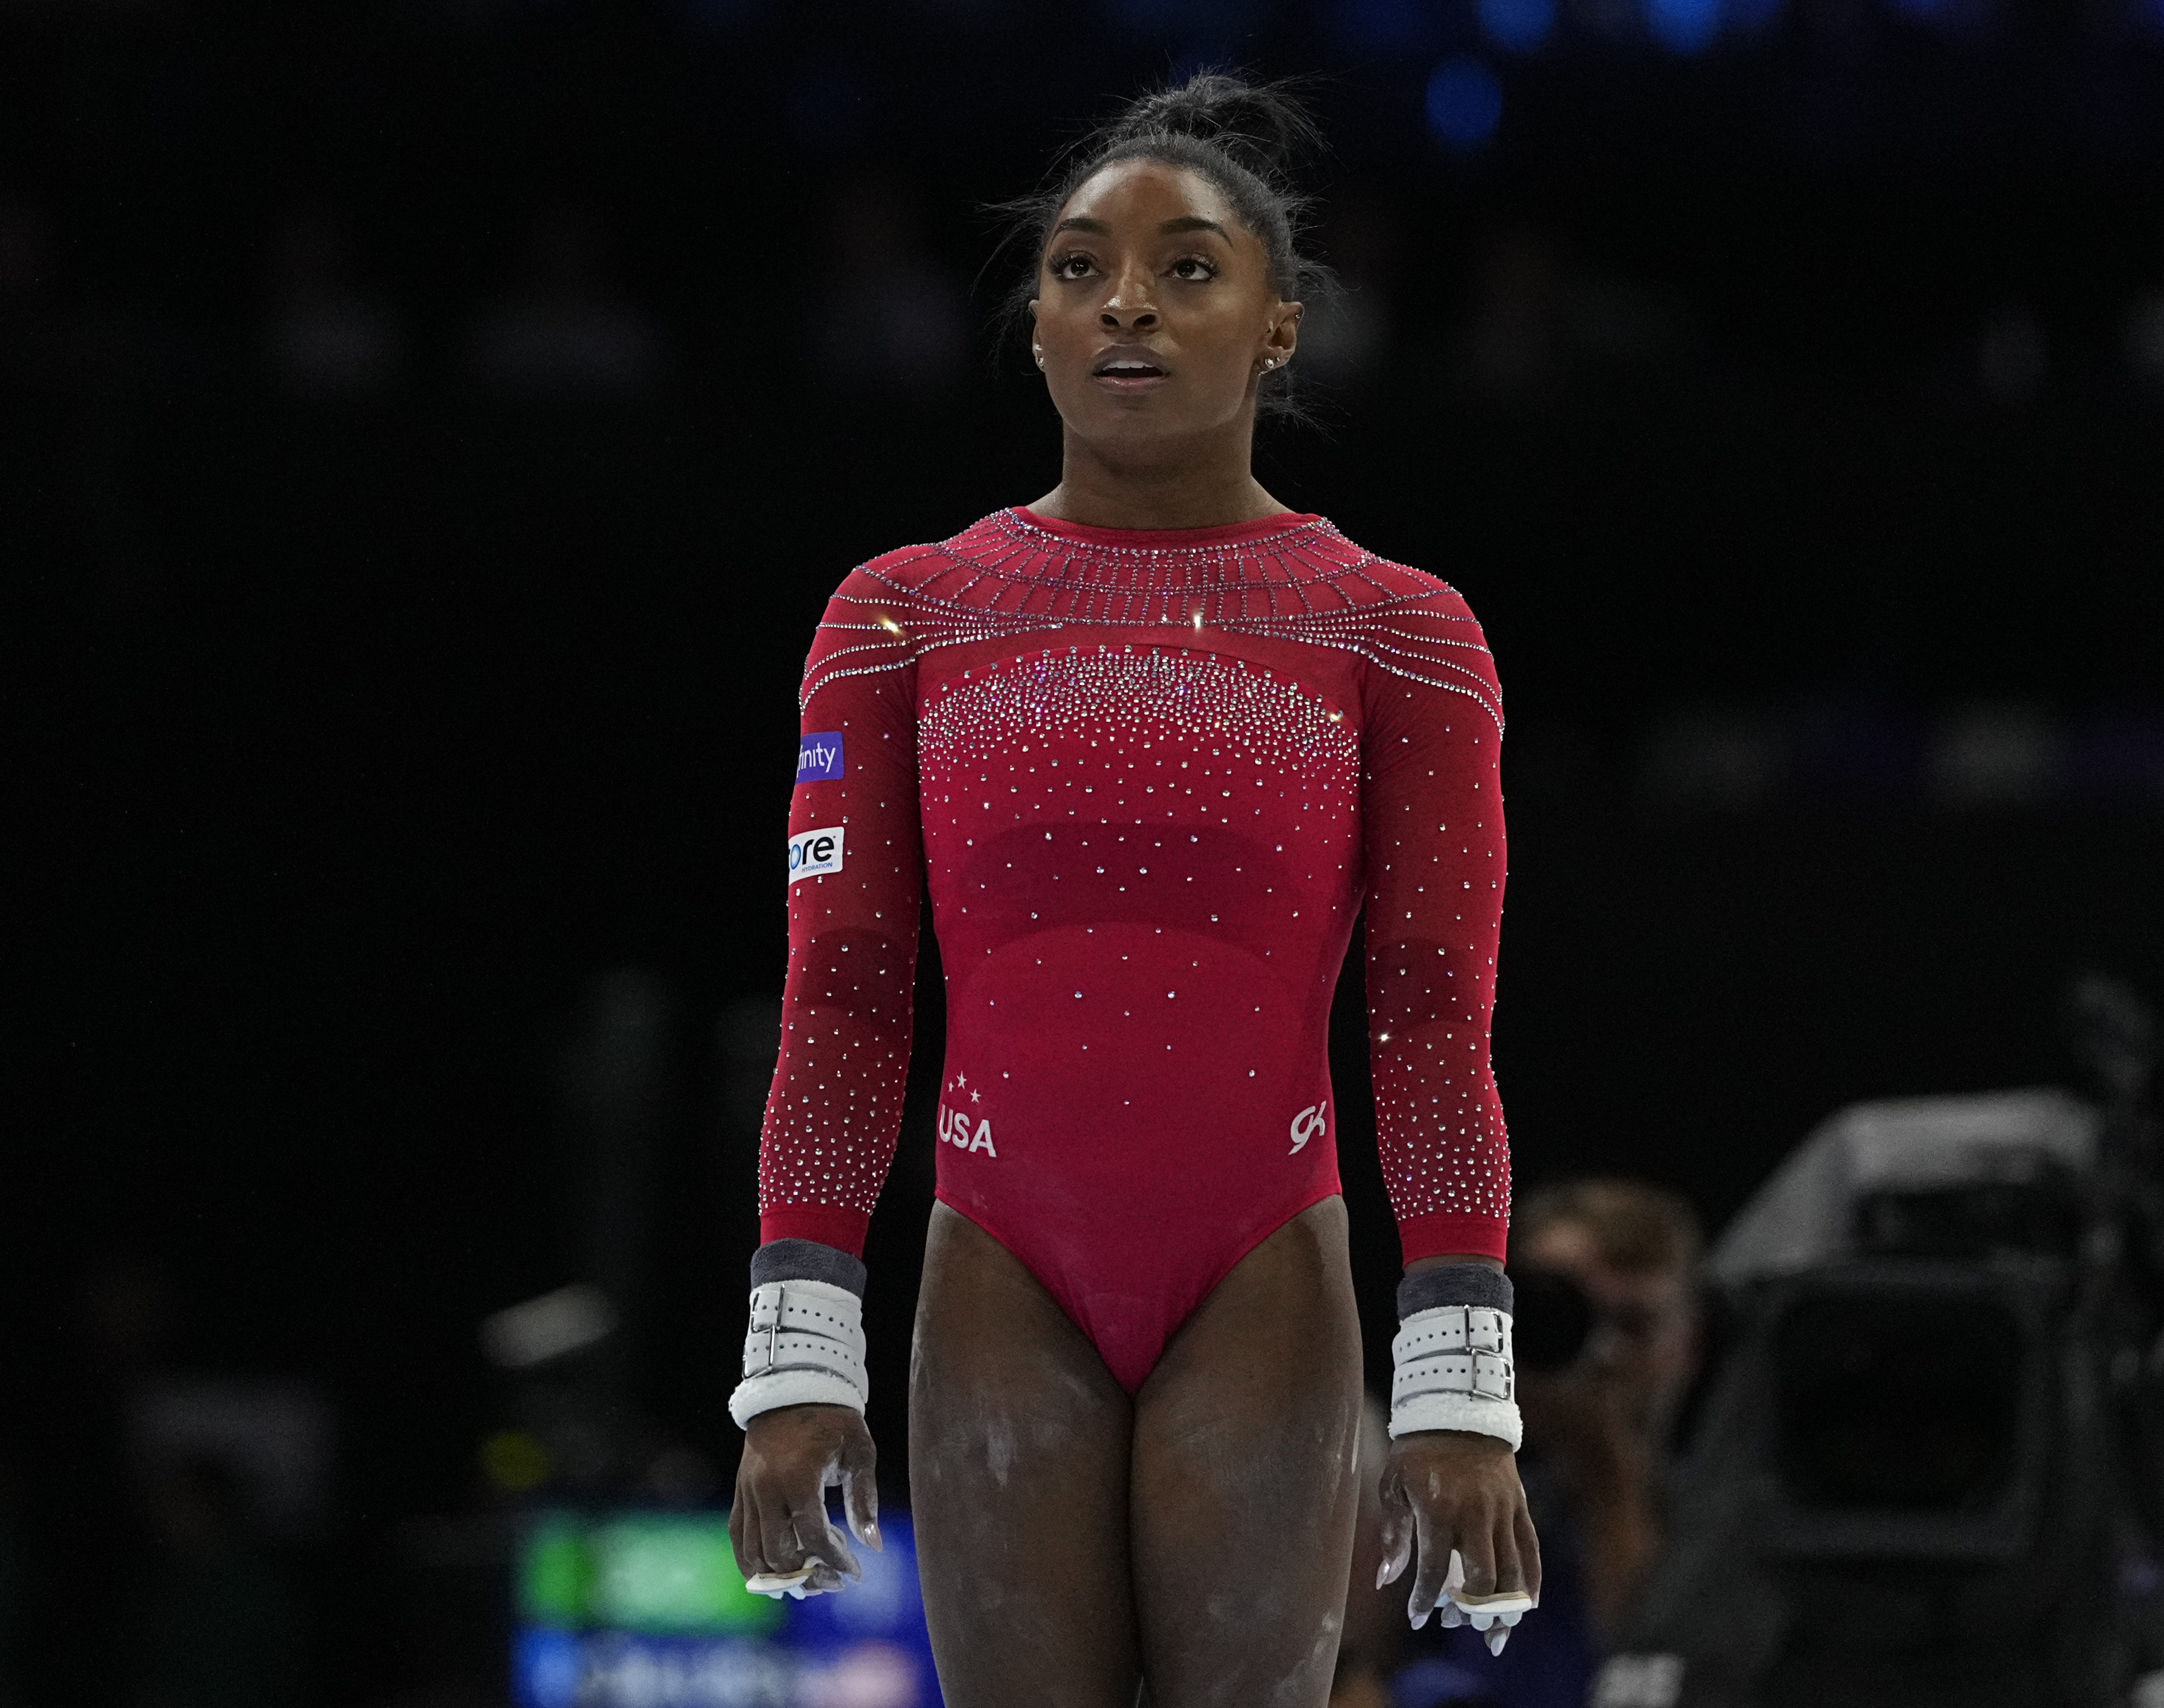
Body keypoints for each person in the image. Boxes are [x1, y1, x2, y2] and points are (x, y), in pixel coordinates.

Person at [720, 75, 1540, 1706]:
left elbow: (1433, 1009)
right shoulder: (903, 614)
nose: (1127, 308)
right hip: (998, 1262)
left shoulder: (1395, 628)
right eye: (1082, 267)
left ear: (1278, 326)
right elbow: (850, 989)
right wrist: (792, 1353)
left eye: (1186, 268)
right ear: (1031, 325)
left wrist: (1459, 1381)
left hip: (1260, 1265)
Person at [1409, 1178, 1703, 1706]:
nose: (1603, 1355)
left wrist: (1608, 1482)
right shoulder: (1420, 1495)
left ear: (1688, 1344)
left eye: (1633, 1325)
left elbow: (1658, 1677)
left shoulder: (1742, 1522)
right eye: (1563, 1319)